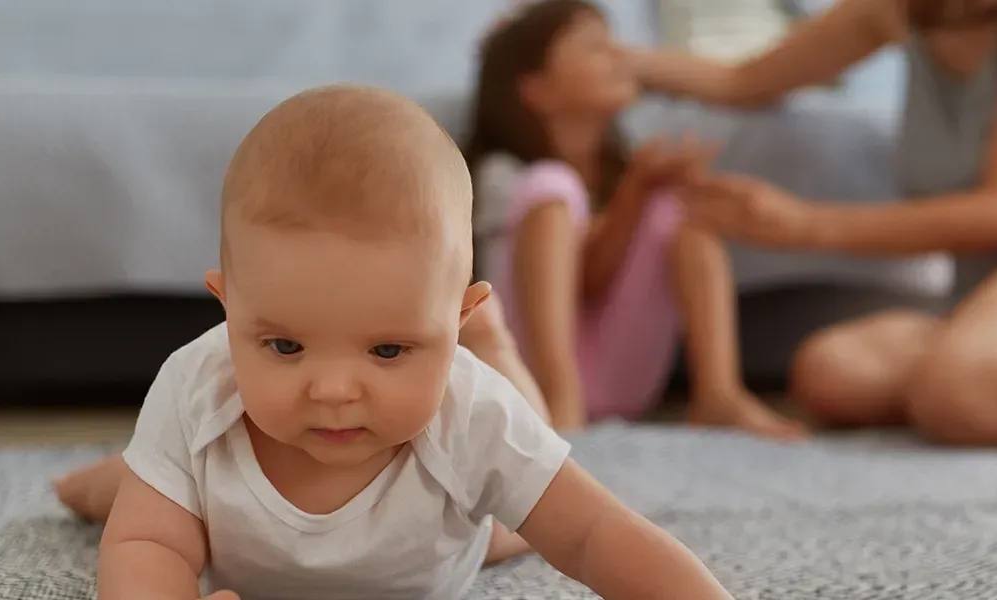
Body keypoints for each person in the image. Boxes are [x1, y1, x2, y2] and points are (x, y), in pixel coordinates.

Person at [87, 84, 735, 600]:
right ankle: (106, 478)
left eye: (389, 350)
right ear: (227, 308)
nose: (334, 390)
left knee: (522, 516)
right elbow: (150, 548)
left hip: (448, 534)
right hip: (215, 511)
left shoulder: (469, 412)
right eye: (284, 346)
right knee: (138, 499)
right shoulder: (196, 386)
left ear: (454, 322)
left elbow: (597, 533)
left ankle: (495, 344)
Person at [629, 0, 997, 446]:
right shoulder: (900, 10)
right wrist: (614, 60)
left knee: (955, 389)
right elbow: (742, 80)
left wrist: (802, 225)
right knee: (832, 372)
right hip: (996, 288)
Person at [466, 0, 806, 439]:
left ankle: (719, 393)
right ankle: (557, 396)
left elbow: (594, 280)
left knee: (675, 210)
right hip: (526, 375)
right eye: (596, 48)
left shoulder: (612, 175)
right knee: (553, 187)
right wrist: (632, 194)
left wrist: (640, 192)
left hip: (614, 384)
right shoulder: (505, 176)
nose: (621, 58)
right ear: (537, 90)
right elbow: (581, 274)